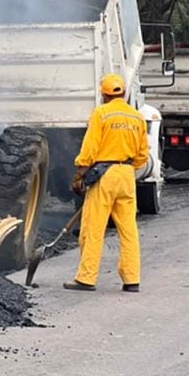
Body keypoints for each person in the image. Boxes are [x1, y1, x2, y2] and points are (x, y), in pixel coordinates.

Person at [65, 74, 149, 293]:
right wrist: (128, 167)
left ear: (104, 94)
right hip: (127, 175)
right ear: (124, 93)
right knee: (128, 230)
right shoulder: (137, 117)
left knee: (93, 228)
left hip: (105, 176)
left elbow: (90, 148)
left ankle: (86, 278)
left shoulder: (101, 114)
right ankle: (132, 279)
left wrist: (80, 173)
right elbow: (143, 155)